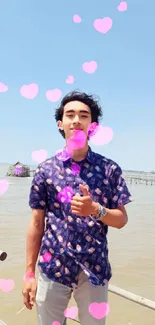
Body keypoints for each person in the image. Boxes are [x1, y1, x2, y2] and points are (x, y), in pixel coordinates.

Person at [22, 91, 132, 325]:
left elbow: (121, 219)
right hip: (53, 266)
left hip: (95, 269)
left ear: (93, 126)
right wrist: (29, 273)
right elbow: (36, 223)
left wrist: (96, 209)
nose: (76, 120)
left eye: (84, 115)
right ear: (60, 124)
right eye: (70, 114)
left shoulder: (109, 169)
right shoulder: (45, 170)